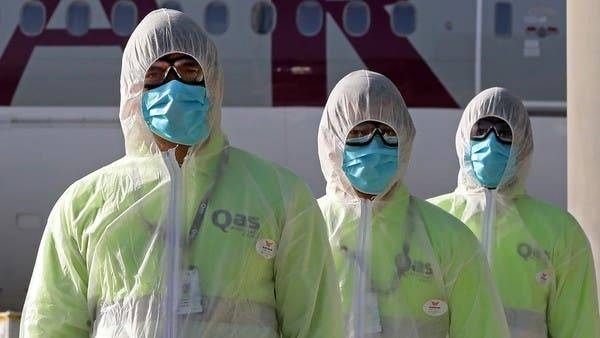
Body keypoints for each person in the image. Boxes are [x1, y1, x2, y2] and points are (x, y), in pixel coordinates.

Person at [20, 9, 342, 338]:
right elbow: (50, 327)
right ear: (134, 91)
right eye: (157, 74)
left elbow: (318, 326)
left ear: (212, 85)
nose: (173, 87)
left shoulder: (282, 198)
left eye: (189, 72)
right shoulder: (82, 206)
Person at [317, 70, 510, 338]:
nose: (375, 144)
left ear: (405, 139)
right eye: (359, 132)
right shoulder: (305, 231)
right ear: (333, 139)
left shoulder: (451, 239)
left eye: (387, 132)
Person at [429, 87, 600, 338]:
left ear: (522, 144)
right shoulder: (429, 221)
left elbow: (579, 328)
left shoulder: (561, 231)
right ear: (463, 138)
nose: (491, 141)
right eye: (481, 131)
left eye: (503, 133)